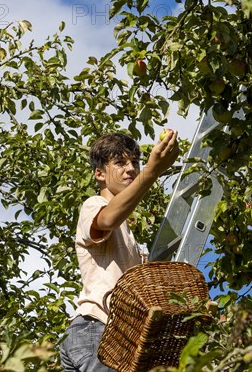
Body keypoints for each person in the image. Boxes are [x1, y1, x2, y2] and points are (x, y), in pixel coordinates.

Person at [60, 130, 180, 372]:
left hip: (101, 336)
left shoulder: (129, 238)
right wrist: (152, 170)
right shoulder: (95, 204)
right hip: (97, 330)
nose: (131, 169)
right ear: (100, 174)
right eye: (120, 163)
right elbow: (106, 220)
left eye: (135, 162)